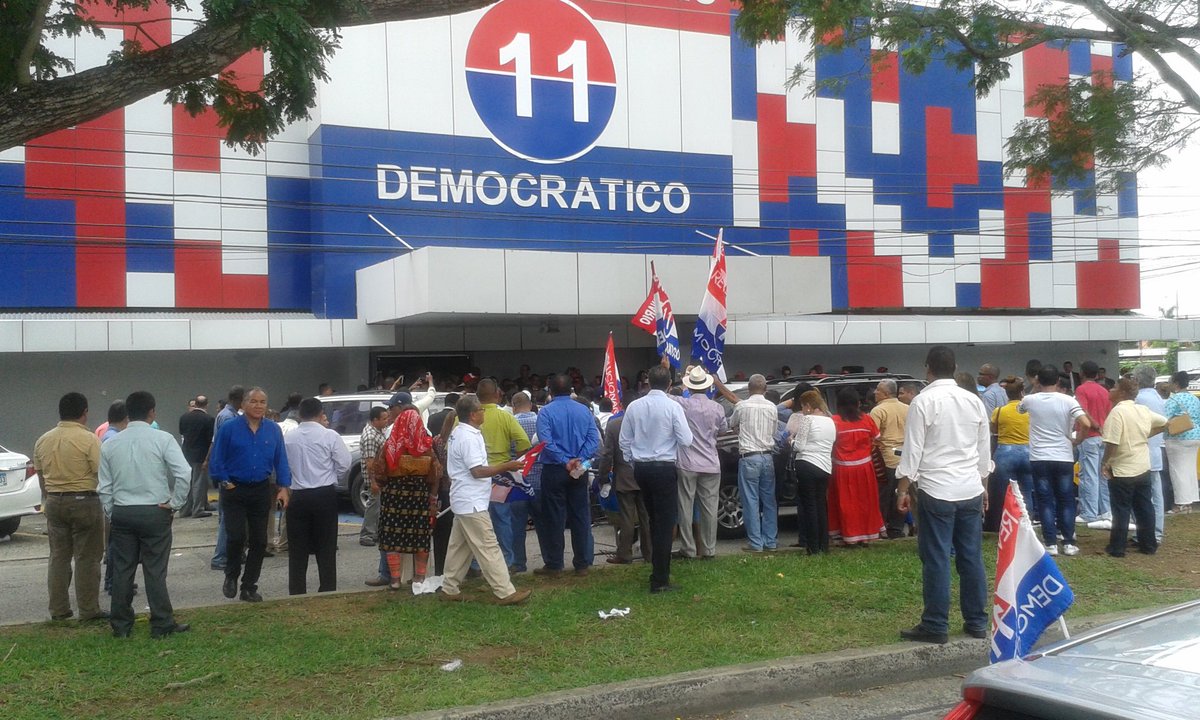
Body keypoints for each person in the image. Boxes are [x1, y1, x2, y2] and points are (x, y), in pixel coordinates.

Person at [896, 346, 990, 645]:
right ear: (956, 366)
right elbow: (983, 451)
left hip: (937, 488)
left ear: (928, 369)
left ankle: (936, 624)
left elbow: (912, 451)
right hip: (970, 487)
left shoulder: (923, 401)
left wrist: (902, 490)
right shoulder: (974, 401)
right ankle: (976, 621)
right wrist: (984, 487)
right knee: (971, 557)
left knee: (936, 558)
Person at [98, 391, 192, 638]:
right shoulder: (163, 439)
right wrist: (175, 503)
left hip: (123, 512)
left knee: (122, 570)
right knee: (155, 570)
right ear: (152, 412)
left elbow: (104, 487)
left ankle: (121, 626)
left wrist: (111, 510)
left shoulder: (110, 444)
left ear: (127, 413)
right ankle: (161, 623)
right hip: (155, 511)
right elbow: (183, 473)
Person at [439, 395, 531, 605]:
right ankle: (504, 591)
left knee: (459, 547)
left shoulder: (461, 432)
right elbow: (477, 471)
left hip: (466, 499)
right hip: (471, 501)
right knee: (488, 545)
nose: (484, 412)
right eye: (481, 409)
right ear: (473, 415)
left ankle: (449, 587)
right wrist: (506, 466)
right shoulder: (468, 437)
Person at [208, 387, 291, 602]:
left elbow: (280, 459)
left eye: (262, 402)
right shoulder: (229, 428)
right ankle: (231, 575)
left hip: (261, 489)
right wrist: (225, 481)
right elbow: (217, 459)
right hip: (234, 489)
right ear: (244, 404)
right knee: (235, 537)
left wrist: (283, 487)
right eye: (253, 401)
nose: (258, 405)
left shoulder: (273, 430)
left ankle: (249, 586)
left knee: (259, 540)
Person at [33, 392, 106, 623]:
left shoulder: (43, 440)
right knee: (87, 557)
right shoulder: (89, 440)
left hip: (54, 501)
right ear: (84, 413)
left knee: (58, 557)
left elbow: (41, 475)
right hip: (84, 501)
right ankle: (88, 610)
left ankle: (59, 610)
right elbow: (100, 472)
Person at [619, 365, 693, 592]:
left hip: (641, 468)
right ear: (670, 384)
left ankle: (657, 571)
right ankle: (660, 579)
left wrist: (634, 461)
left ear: (648, 382)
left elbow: (624, 441)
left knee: (652, 519)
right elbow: (686, 439)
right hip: (663, 467)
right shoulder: (673, 406)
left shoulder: (634, 406)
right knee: (664, 523)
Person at [1019, 366, 1094, 556]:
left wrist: (1035, 388)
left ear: (1037, 381)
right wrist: (1078, 440)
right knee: (1066, 499)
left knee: (1045, 500)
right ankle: (1068, 542)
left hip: (1039, 456)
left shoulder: (1030, 399)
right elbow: (1086, 423)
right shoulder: (1069, 400)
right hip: (1063, 455)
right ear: (1058, 382)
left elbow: (1020, 410)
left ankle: (1050, 543)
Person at [283, 398, 351, 594]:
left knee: (297, 549)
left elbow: (283, 466)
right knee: (327, 546)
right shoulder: (329, 435)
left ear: (299, 414)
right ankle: (327, 589)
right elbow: (345, 464)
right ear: (321, 413)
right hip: (324, 494)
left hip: (298, 495)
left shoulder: (289, 437)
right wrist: (331, 474)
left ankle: (297, 591)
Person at [535, 374, 601, 576]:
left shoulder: (545, 412)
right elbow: (594, 440)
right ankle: (582, 564)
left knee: (554, 516)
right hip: (579, 468)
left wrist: (565, 460)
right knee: (580, 515)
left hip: (555, 468)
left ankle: (555, 564)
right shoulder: (584, 410)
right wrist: (579, 459)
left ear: (550, 390)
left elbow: (545, 442)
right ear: (572, 390)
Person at [1100, 379, 1167, 558]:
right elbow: (1165, 422)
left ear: (1121, 393)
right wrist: (1147, 434)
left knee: (1121, 509)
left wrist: (1105, 462)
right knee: (1144, 507)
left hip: (1122, 468)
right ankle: (1149, 544)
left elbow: (1112, 442)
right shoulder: (1142, 410)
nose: (1111, 390)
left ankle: (1117, 547)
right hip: (1142, 466)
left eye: (1114, 387)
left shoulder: (1118, 412)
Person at [377, 391, 437, 590]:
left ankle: (395, 580)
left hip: (393, 497)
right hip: (419, 497)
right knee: (420, 537)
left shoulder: (390, 445)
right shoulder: (427, 446)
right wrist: (431, 494)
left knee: (392, 537)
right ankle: (419, 578)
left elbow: (379, 472)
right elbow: (436, 473)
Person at [717, 374, 779, 552]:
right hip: (767, 456)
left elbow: (732, 424)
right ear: (765, 389)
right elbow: (774, 431)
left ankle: (755, 542)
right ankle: (771, 541)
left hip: (749, 457)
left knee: (750, 500)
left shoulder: (742, 406)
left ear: (749, 389)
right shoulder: (772, 407)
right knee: (769, 501)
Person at [671, 366, 728, 560]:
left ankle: (688, 548)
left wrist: (678, 376)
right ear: (706, 386)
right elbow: (723, 431)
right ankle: (709, 549)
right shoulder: (717, 407)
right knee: (710, 508)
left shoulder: (683, 404)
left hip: (687, 462)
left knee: (685, 506)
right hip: (711, 463)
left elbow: (665, 394)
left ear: (690, 386)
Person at [477, 378, 532, 568]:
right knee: (502, 520)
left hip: (475, 476)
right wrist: (513, 462)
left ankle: (477, 565)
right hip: (501, 476)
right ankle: (507, 561)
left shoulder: (466, 417)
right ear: (497, 394)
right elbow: (524, 443)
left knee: (477, 522)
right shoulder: (505, 416)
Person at [829, 389, 884, 546]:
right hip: (865, 468)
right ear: (858, 403)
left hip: (842, 469)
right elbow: (877, 439)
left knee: (846, 503)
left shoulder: (834, 421)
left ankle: (849, 535)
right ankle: (866, 535)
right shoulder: (867, 420)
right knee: (866, 502)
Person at [596, 410, 649, 565]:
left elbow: (607, 454)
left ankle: (625, 554)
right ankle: (650, 553)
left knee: (626, 517)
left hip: (624, 477)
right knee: (646, 517)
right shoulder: (647, 422)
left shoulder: (614, 425)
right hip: (645, 474)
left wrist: (603, 475)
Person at [786, 390, 835, 554]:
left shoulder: (808, 420)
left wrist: (791, 441)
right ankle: (824, 544)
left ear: (808, 405)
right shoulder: (830, 421)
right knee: (821, 505)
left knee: (809, 507)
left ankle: (813, 546)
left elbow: (799, 446)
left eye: (803, 407)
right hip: (825, 466)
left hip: (807, 464)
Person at [209, 385, 244, 572]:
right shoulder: (228, 418)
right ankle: (221, 555)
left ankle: (229, 553)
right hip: (230, 473)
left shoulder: (225, 414)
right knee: (228, 517)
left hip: (226, 472)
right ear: (239, 400)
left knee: (227, 516)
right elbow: (225, 445)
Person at [1075, 360, 1113, 527]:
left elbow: (1082, 411)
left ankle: (1089, 512)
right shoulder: (1104, 391)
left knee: (1089, 475)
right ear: (1097, 374)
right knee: (1102, 475)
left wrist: (1093, 423)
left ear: (1082, 373)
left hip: (1088, 435)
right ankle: (1105, 510)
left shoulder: (1081, 389)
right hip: (1103, 436)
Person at [869, 379, 908, 539]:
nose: (874, 392)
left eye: (877, 390)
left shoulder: (878, 411)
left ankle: (882, 526)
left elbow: (872, 436)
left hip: (886, 457)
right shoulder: (908, 408)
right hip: (905, 457)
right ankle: (897, 528)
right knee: (901, 493)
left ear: (885, 393)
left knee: (884, 495)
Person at [990, 378, 1034, 519]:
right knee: (1027, 491)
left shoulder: (999, 411)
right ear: (1022, 392)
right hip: (1027, 452)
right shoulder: (1029, 411)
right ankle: (1027, 521)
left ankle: (1008, 522)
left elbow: (994, 429)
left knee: (1006, 492)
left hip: (1005, 453)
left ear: (1006, 394)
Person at [1132, 365, 1167, 543]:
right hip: (1155, 449)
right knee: (1155, 493)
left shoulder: (1138, 399)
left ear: (1136, 380)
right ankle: (1156, 531)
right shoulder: (1158, 398)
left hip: (1140, 452)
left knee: (1140, 496)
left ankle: (1144, 532)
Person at [1163, 370, 1200, 513]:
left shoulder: (1174, 400)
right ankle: (1190, 500)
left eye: (1171, 382)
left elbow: (1164, 417)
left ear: (1176, 383)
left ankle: (1181, 503)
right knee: (1189, 469)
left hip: (1178, 438)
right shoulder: (1195, 399)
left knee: (1178, 470)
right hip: (1196, 436)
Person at [178, 395, 215, 519]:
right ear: (206, 405)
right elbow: (211, 441)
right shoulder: (209, 419)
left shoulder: (184, 417)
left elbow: (182, 433)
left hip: (186, 453)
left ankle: (185, 509)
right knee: (199, 483)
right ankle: (198, 509)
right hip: (201, 455)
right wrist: (207, 459)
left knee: (188, 482)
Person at [358, 406, 390, 551]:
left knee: (378, 505)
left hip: (380, 477)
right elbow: (370, 462)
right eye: (384, 419)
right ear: (375, 420)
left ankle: (374, 532)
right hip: (374, 478)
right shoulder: (370, 436)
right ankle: (367, 534)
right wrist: (373, 482)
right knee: (373, 505)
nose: (386, 421)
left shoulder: (378, 431)